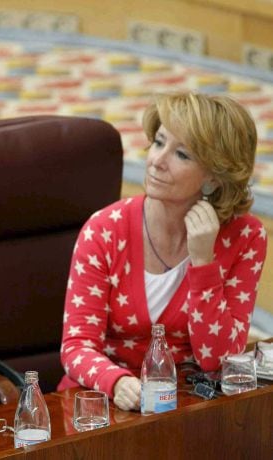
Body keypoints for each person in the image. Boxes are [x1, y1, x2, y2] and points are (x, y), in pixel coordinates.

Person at [59, 92, 267, 411]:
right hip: (101, 404)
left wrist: (202, 263)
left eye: (181, 154)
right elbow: (76, 347)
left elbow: (219, 358)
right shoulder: (104, 229)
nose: (157, 159)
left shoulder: (246, 236)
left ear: (214, 175)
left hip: (189, 405)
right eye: (159, 142)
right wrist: (117, 382)